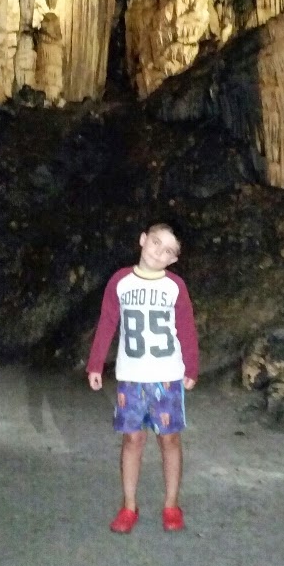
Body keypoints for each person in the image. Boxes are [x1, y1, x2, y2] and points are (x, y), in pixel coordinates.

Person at [87, 222, 198, 533]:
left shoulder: (175, 286)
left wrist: (191, 367)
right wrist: (95, 364)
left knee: (169, 439)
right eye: (156, 242)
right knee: (132, 440)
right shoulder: (120, 281)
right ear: (143, 240)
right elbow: (107, 322)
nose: (159, 252)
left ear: (173, 259)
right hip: (131, 376)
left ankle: (171, 504)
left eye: (168, 251)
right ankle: (129, 505)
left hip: (167, 376)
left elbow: (186, 327)